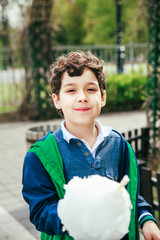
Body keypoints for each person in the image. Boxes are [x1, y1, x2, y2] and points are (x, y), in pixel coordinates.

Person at [22, 51, 160, 240]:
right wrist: (82, 218)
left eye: (91, 89)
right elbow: (40, 211)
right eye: (71, 90)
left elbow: (129, 194)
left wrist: (146, 219)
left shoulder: (119, 146)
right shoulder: (40, 156)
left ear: (102, 97)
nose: (82, 97)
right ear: (57, 100)